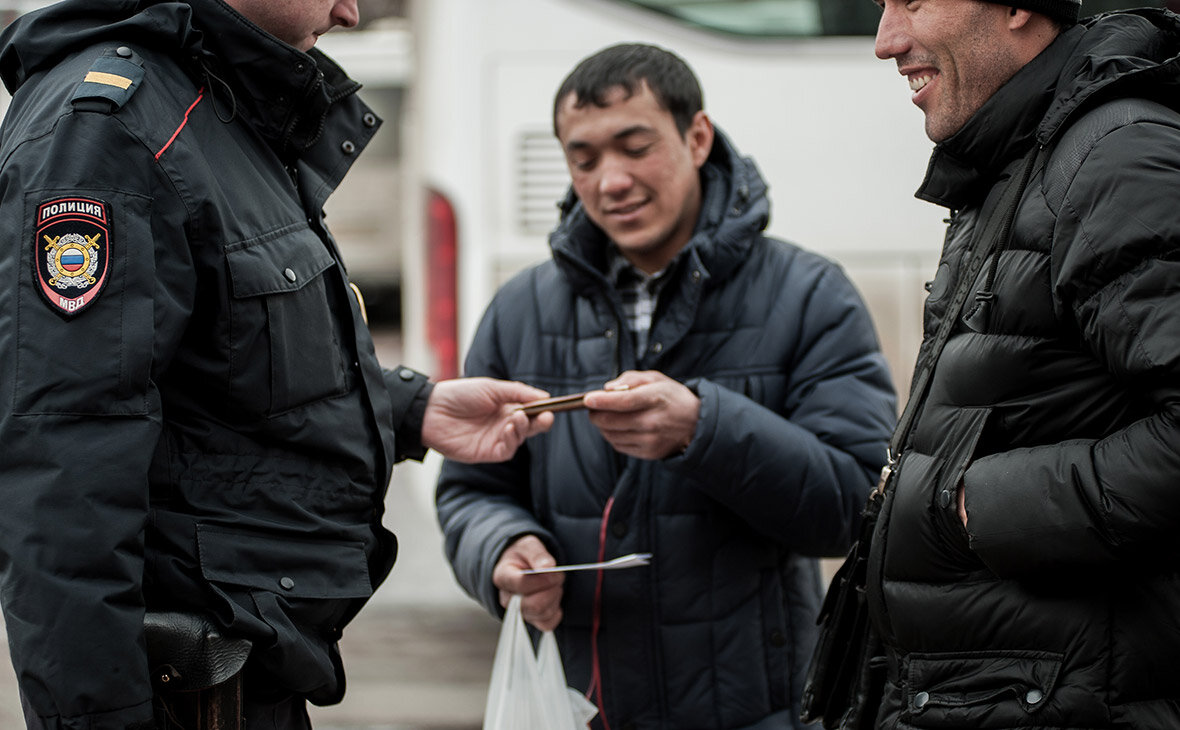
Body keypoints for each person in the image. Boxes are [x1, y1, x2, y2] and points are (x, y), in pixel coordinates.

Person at [0, 1, 554, 728]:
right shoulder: (110, 128)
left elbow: (226, 371)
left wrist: (409, 409)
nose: (350, 11)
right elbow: (64, 468)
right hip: (180, 692)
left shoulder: (209, 104)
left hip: (247, 671)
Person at [436, 43, 897, 730]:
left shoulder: (809, 295)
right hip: (579, 706)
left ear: (697, 137)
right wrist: (500, 549)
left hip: (759, 708)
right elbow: (471, 491)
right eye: (583, 158)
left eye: (634, 146)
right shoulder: (520, 309)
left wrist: (703, 429)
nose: (610, 181)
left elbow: (855, 509)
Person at [860, 1, 1180, 727]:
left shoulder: (1114, 155)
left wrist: (980, 507)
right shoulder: (1023, 152)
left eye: (913, 0)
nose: (886, 42)